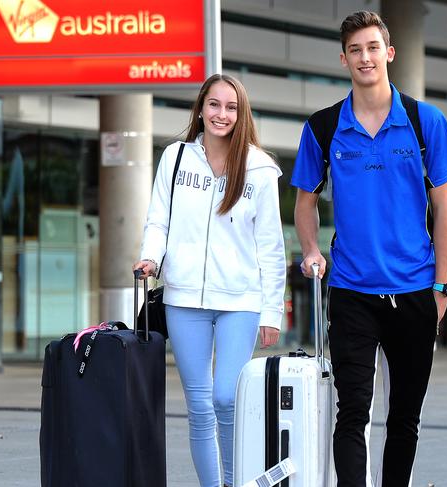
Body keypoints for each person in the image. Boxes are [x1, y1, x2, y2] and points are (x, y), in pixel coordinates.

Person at [291, 11, 447, 487]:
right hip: (351, 290)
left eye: (373, 47)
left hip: (415, 289)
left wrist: (443, 287)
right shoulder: (324, 127)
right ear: (344, 58)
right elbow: (304, 202)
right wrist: (311, 249)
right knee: (352, 412)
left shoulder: (425, 121)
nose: (364, 57)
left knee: (405, 416)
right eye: (355, 50)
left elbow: (445, 211)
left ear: (389, 52)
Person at [133, 73, 286, 487]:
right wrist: (150, 257)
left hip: (240, 300)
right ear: (201, 107)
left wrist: (272, 310)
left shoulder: (260, 168)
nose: (222, 114)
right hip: (183, 300)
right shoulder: (176, 157)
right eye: (214, 104)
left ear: (241, 114)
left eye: (231, 107)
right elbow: (158, 219)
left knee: (226, 399)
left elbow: (271, 246)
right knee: (199, 407)